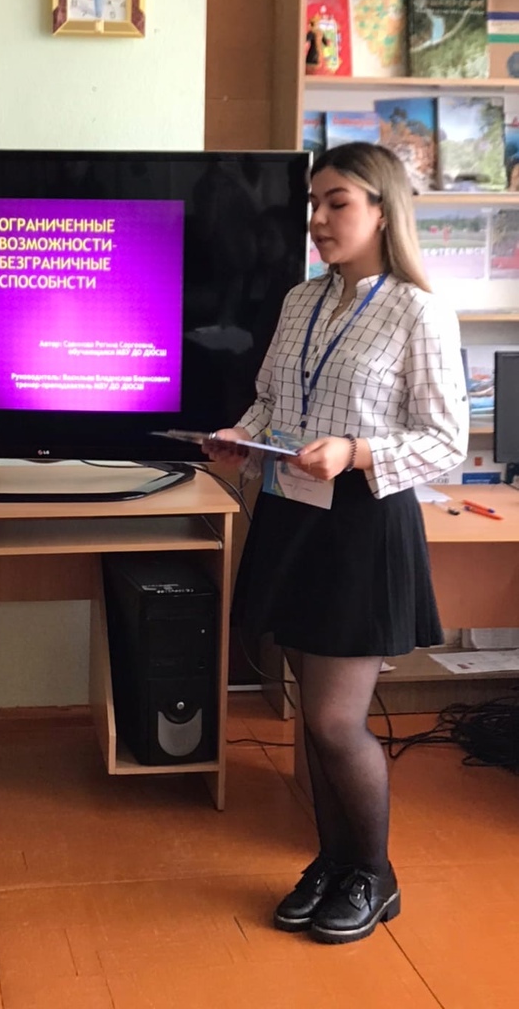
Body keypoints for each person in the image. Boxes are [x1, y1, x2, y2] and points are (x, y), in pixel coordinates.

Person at [204, 142, 468, 945]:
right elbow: (272, 401)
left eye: (337, 203)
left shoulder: (419, 311)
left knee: (331, 720)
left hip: (361, 526)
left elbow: (447, 439)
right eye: (313, 204)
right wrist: (241, 436)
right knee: (310, 720)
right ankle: (332, 860)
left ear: (383, 211)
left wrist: (355, 452)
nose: (317, 219)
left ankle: (374, 876)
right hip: (292, 513)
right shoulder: (301, 299)